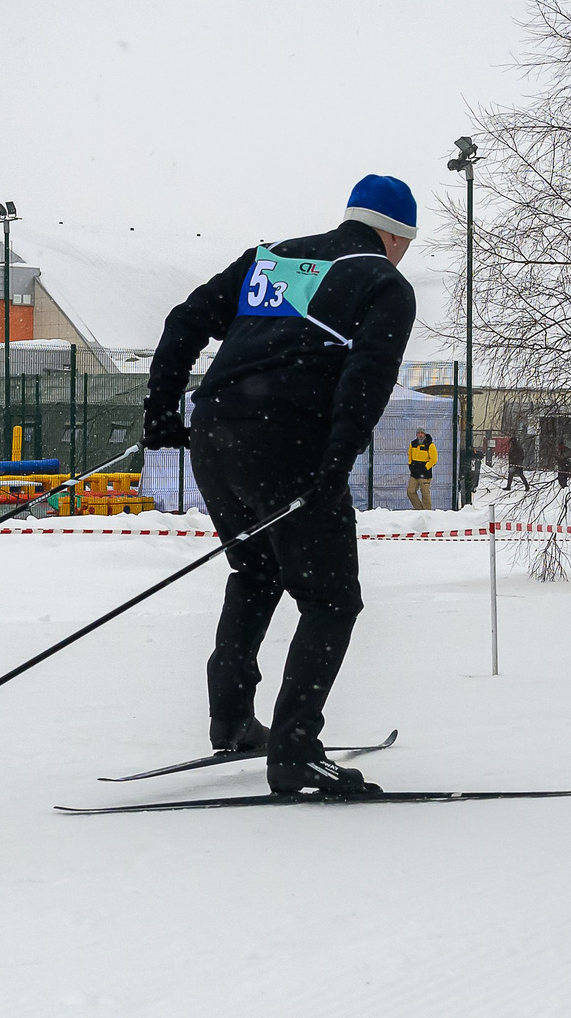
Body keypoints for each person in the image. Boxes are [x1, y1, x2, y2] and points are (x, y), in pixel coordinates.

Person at [144, 174, 419, 798]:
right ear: (396, 238)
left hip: (216, 431)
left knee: (256, 573)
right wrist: (335, 462)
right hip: (287, 441)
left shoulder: (272, 258)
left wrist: (162, 414)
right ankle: (296, 751)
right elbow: (365, 380)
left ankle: (234, 719)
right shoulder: (383, 283)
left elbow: (184, 320)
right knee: (331, 600)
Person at [405, 428, 437, 510]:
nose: (420, 434)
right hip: (414, 473)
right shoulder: (413, 444)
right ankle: (419, 509)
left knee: (425, 494)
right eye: (418, 433)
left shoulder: (430, 445)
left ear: (424, 434)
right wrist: (410, 464)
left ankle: (427, 511)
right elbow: (409, 454)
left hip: (425, 474)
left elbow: (434, 459)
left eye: (422, 433)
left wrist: (426, 467)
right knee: (410, 491)